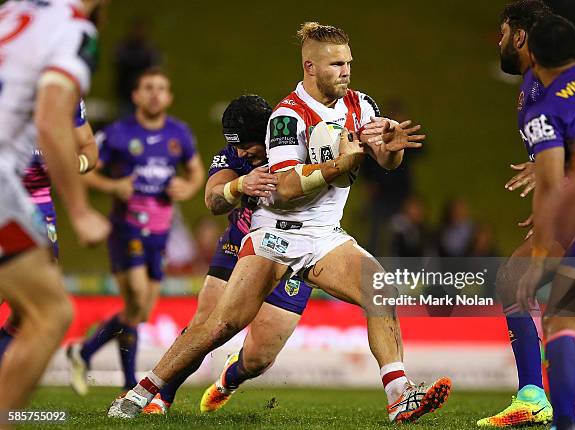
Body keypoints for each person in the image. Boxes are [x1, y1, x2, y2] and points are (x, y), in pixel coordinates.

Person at [109, 22, 451, 423]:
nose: (346, 71)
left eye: (349, 63)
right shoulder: (288, 117)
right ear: (310, 66)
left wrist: (390, 151)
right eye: (336, 64)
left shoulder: (361, 105)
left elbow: (386, 162)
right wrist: (341, 163)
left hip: (324, 236)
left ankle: (399, 396)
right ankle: (141, 391)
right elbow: (287, 188)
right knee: (221, 324)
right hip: (275, 235)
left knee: (380, 291)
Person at [142, 94, 314, 415]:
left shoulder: (300, 149)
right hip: (239, 244)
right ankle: (161, 395)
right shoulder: (233, 158)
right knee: (204, 325)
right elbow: (212, 199)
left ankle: (227, 381)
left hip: (293, 254)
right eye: (233, 146)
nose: (239, 152)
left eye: (246, 145)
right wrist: (239, 186)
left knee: (259, 358)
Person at [66, 67, 204, 395]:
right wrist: (113, 186)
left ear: (169, 97)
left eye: (161, 88)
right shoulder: (116, 134)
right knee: (138, 299)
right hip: (126, 228)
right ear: (136, 96)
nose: (155, 93)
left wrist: (186, 187)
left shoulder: (179, 134)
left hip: (160, 233)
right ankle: (128, 384)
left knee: (138, 311)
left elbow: (196, 172)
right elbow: (83, 170)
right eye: (148, 88)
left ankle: (82, 352)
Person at [0, 0, 109, 410]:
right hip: (6, 189)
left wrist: (76, 162)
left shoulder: (12, 12)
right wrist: (81, 211)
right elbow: (49, 122)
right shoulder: (74, 29)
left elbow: (83, 143)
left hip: (26, 201)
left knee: (31, 306)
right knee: (49, 313)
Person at [513, 15, 575, 430]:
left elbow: (551, 184)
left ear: (533, 58)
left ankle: (566, 423)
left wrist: (539, 255)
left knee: (565, 313)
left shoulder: (544, 106)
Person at [477, 2, 557, 426]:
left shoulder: (551, 81)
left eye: (504, 31)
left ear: (521, 36)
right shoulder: (532, 85)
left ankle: (538, 397)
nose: (499, 40)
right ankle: (534, 396)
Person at [0, 99, 97, 359]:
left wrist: (74, 165)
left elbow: (89, 147)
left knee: (38, 303)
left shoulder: (67, 93)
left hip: (40, 206)